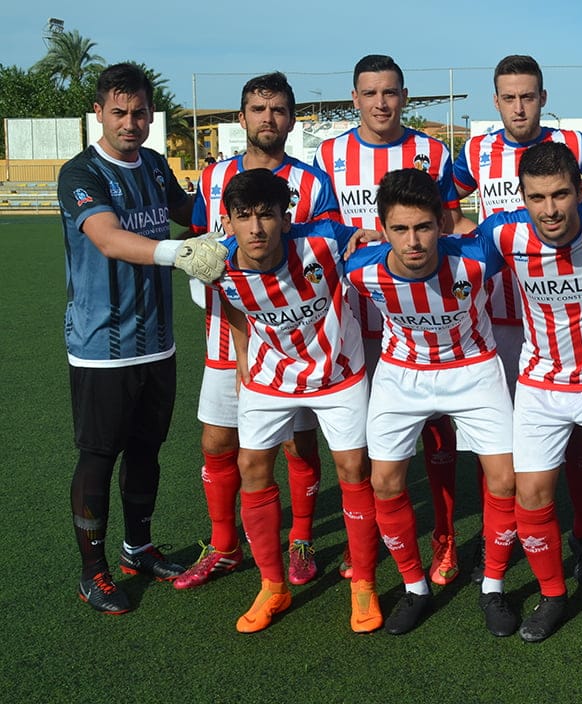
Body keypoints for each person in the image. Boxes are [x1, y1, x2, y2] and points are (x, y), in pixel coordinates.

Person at [57, 62, 227, 614]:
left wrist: (241, 214)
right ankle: (93, 570)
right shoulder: (80, 173)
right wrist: (181, 252)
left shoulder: (154, 165)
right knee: (98, 456)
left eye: (139, 113)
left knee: (147, 451)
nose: (130, 122)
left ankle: (138, 548)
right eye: (119, 112)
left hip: (159, 341)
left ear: (151, 115)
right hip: (101, 348)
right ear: (100, 113)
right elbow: (108, 239)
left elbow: (190, 213)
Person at [475, 142, 582, 650]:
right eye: (536, 197)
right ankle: (552, 594)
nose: (549, 210)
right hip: (541, 385)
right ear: (521, 197)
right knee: (529, 496)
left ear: (580, 191)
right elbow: (444, 255)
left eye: (559, 195)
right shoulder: (504, 233)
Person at [176, 72, 340, 591]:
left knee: (296, 445)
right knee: (218, 441)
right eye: (257, 108)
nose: (268, 118)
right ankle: (224, 546)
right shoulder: (212, 178)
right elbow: (205, 249)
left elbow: (324, 256)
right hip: (227, 335)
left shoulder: (313, 184)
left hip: (295, 343)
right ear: (242, 116)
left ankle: (302, 538)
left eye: (278, 109)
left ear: (292, 118)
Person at [453, 55, 582, 587]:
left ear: (543, 97)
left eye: (529, 96)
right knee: (497, 442)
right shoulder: (475, 150)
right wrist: (462, 222)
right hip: (495, 321)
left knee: (580, 440)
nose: (519, 107)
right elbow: (441, 201)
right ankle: (509, 534)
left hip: (566, 318)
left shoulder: (579, 149)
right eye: (509, 98)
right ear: (495, 102)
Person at [344, 168, 518, 637]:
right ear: (382, 230)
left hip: (473, 369)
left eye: (423, 227)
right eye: (400, 229)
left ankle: (494, 587)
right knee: (383, 482)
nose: (413, 240)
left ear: (442, 223)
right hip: (402, 376)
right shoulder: (360, 268)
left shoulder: (478, 256)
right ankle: (415, 587)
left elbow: (535, 220)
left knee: (505, 480)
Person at [314, 55, 462, 586]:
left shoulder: (433, 151)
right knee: (367, 442)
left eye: (391, 92)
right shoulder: (329, 154)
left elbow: (448, 221)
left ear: (404, 96)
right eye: (370, 93)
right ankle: (371, 538)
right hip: (352, 318)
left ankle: (445, 538)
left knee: (437, 431)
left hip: (420, 319)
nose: (381, 102)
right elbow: (323, 226)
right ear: (354, 98)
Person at [211, 168, 379, 634]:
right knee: (252, 467)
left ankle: (363, 582)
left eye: (267, 215)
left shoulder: (323, 241)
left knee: (353, 468)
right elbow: (231, 300)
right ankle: (272, 585)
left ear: (286, 220)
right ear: (229, 221)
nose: (256, 227)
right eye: (244, 216)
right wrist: (243, 353)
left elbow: (373, 241)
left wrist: (373, 236)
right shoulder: (216, 262)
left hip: (337, 372)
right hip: (270, 377)